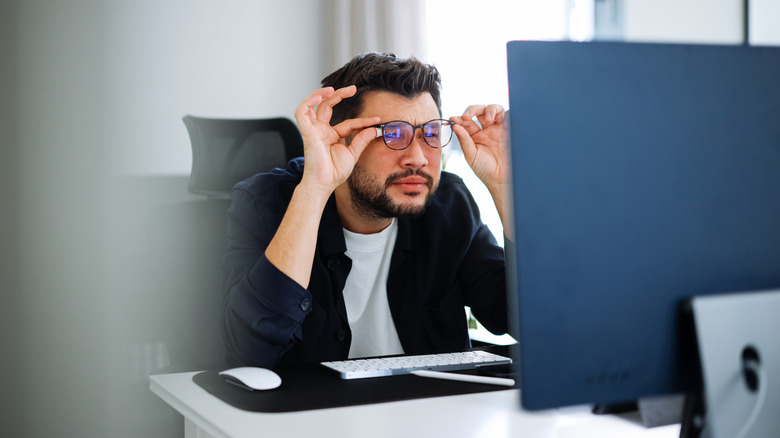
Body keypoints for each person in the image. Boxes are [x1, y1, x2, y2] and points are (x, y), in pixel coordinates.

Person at [220, 52, 511, 368]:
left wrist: (505, 189)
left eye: (430, 133)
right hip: (311, 414)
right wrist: (315, 188)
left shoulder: (450, 204)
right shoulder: (267, 202)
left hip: (431, 410)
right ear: (342, 139)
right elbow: (250, 352)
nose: (418, 158)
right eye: (393, 133)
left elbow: (525, 318)